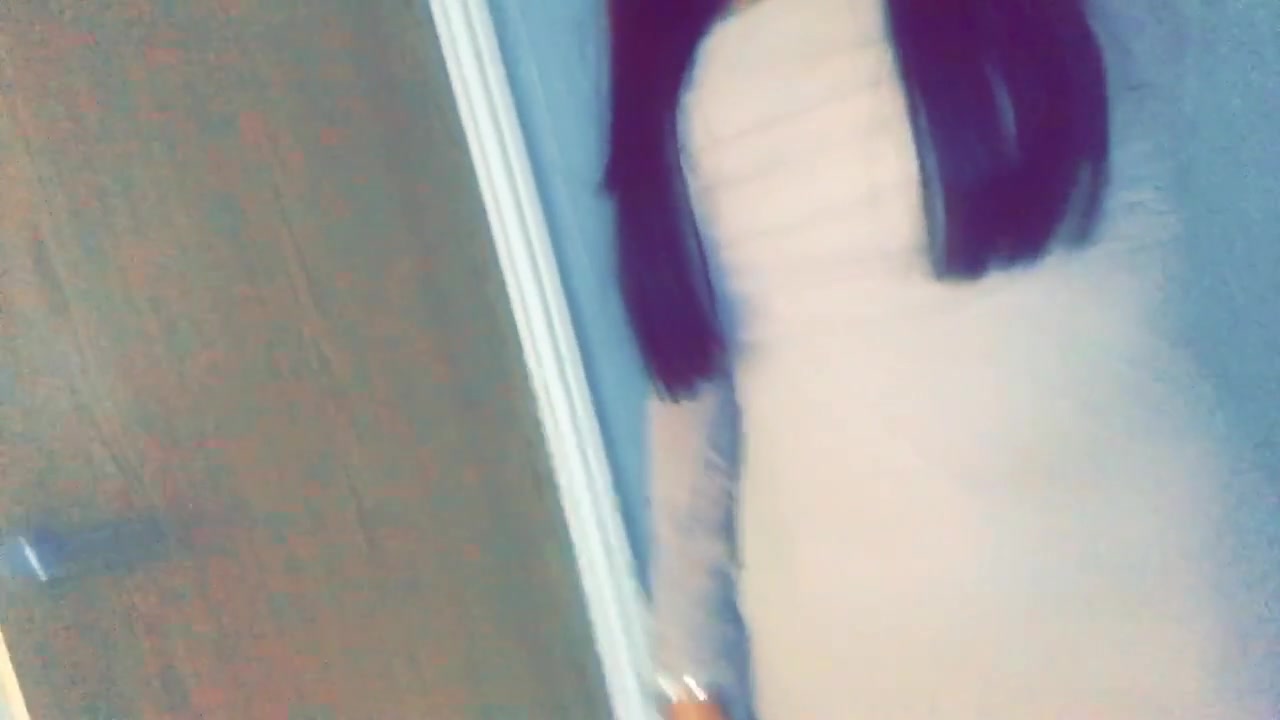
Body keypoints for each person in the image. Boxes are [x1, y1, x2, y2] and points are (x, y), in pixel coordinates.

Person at [606, 0, 1257, 718]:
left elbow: (689, 416)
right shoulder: (695, 90)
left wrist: (691, 677)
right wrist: (690, 677)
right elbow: (689, 407)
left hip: (1138, 625)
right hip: (909, 659)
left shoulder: (698, 89)